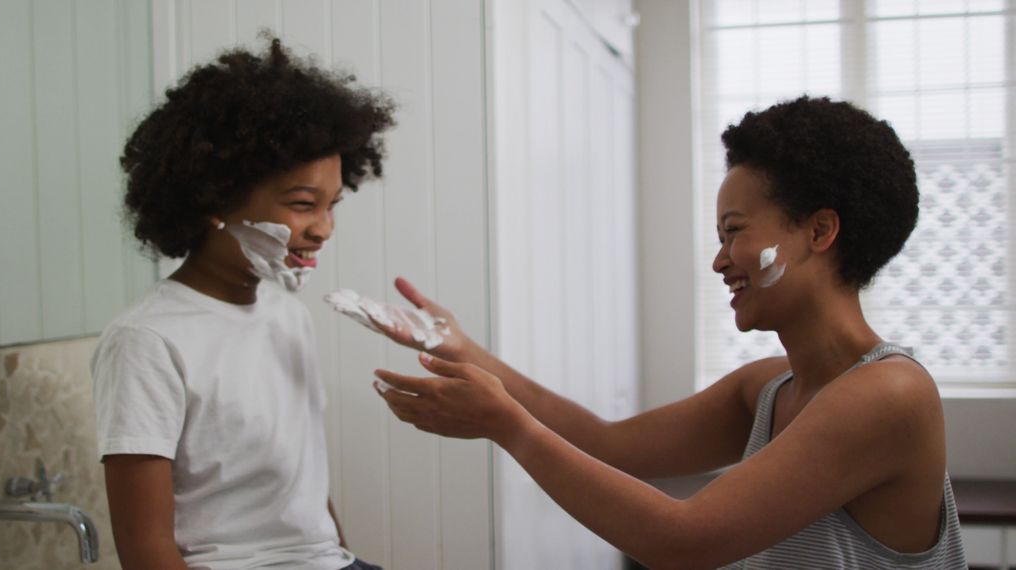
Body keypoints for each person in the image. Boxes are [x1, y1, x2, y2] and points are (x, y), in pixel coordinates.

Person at [368, 96, 967, 569]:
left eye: (734, 231)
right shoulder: (770, 389)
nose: (721, 259)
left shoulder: (889, 396)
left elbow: (683, 543)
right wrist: (464, 350)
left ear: (819, 231)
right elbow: (608, 446)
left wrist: (507, 426)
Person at [92, 36, 393, 570]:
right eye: (304, 205)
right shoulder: (148, 340)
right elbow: (145, 549)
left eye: (332, 205)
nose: (324, 229)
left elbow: (305, 498)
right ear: (214, 200)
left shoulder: (289, 317)